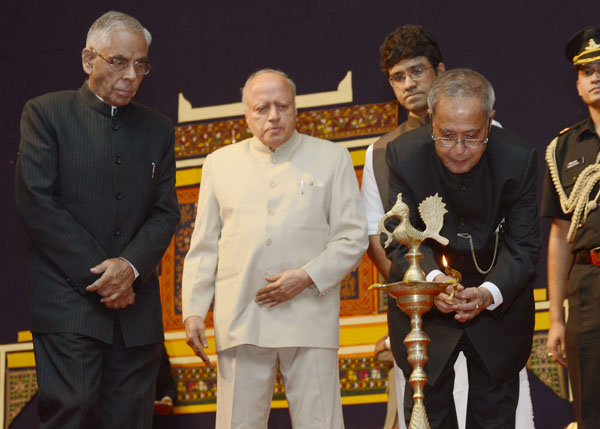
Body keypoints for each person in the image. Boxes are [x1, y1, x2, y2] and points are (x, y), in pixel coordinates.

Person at [14, 11, 180, 429]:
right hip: (69, 304)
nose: (131, 75)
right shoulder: (46, 114)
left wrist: (128, 269)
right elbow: (37, 201)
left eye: (141, 64)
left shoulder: (157, 129)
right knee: (72, 413)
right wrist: (103, 276)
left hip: (135, 312)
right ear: (89, 60)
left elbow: (164, 213)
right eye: (118, 62)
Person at [182, 69, 368, 429]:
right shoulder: (220, 164)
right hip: (241, 316)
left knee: (321, 423)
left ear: (296, 109)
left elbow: (353, 236)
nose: (273, 116)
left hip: (309, 313)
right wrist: (193, 310)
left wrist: (306, 276)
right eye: (261, 108)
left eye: (282, 106)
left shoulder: (332, 158)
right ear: (246, 114)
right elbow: (204, 245)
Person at [385, 68, 541, 428]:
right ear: (431, 124)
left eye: (472, 137)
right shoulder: (404, 155)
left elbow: (525, 246)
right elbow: (398, 234)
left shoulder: (518, 159)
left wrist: (488, 293)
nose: (459, 150)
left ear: (490, 122)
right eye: (447, 136)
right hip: (426, 315)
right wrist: (434, 281)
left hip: (497, 310)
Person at [543, 26, 600, 429]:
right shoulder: (564, 149)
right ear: (578, 85)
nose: (595, 76)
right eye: (587, 71)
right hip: (588, 286)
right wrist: (556, 319)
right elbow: (560, 236)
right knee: (592, 409)